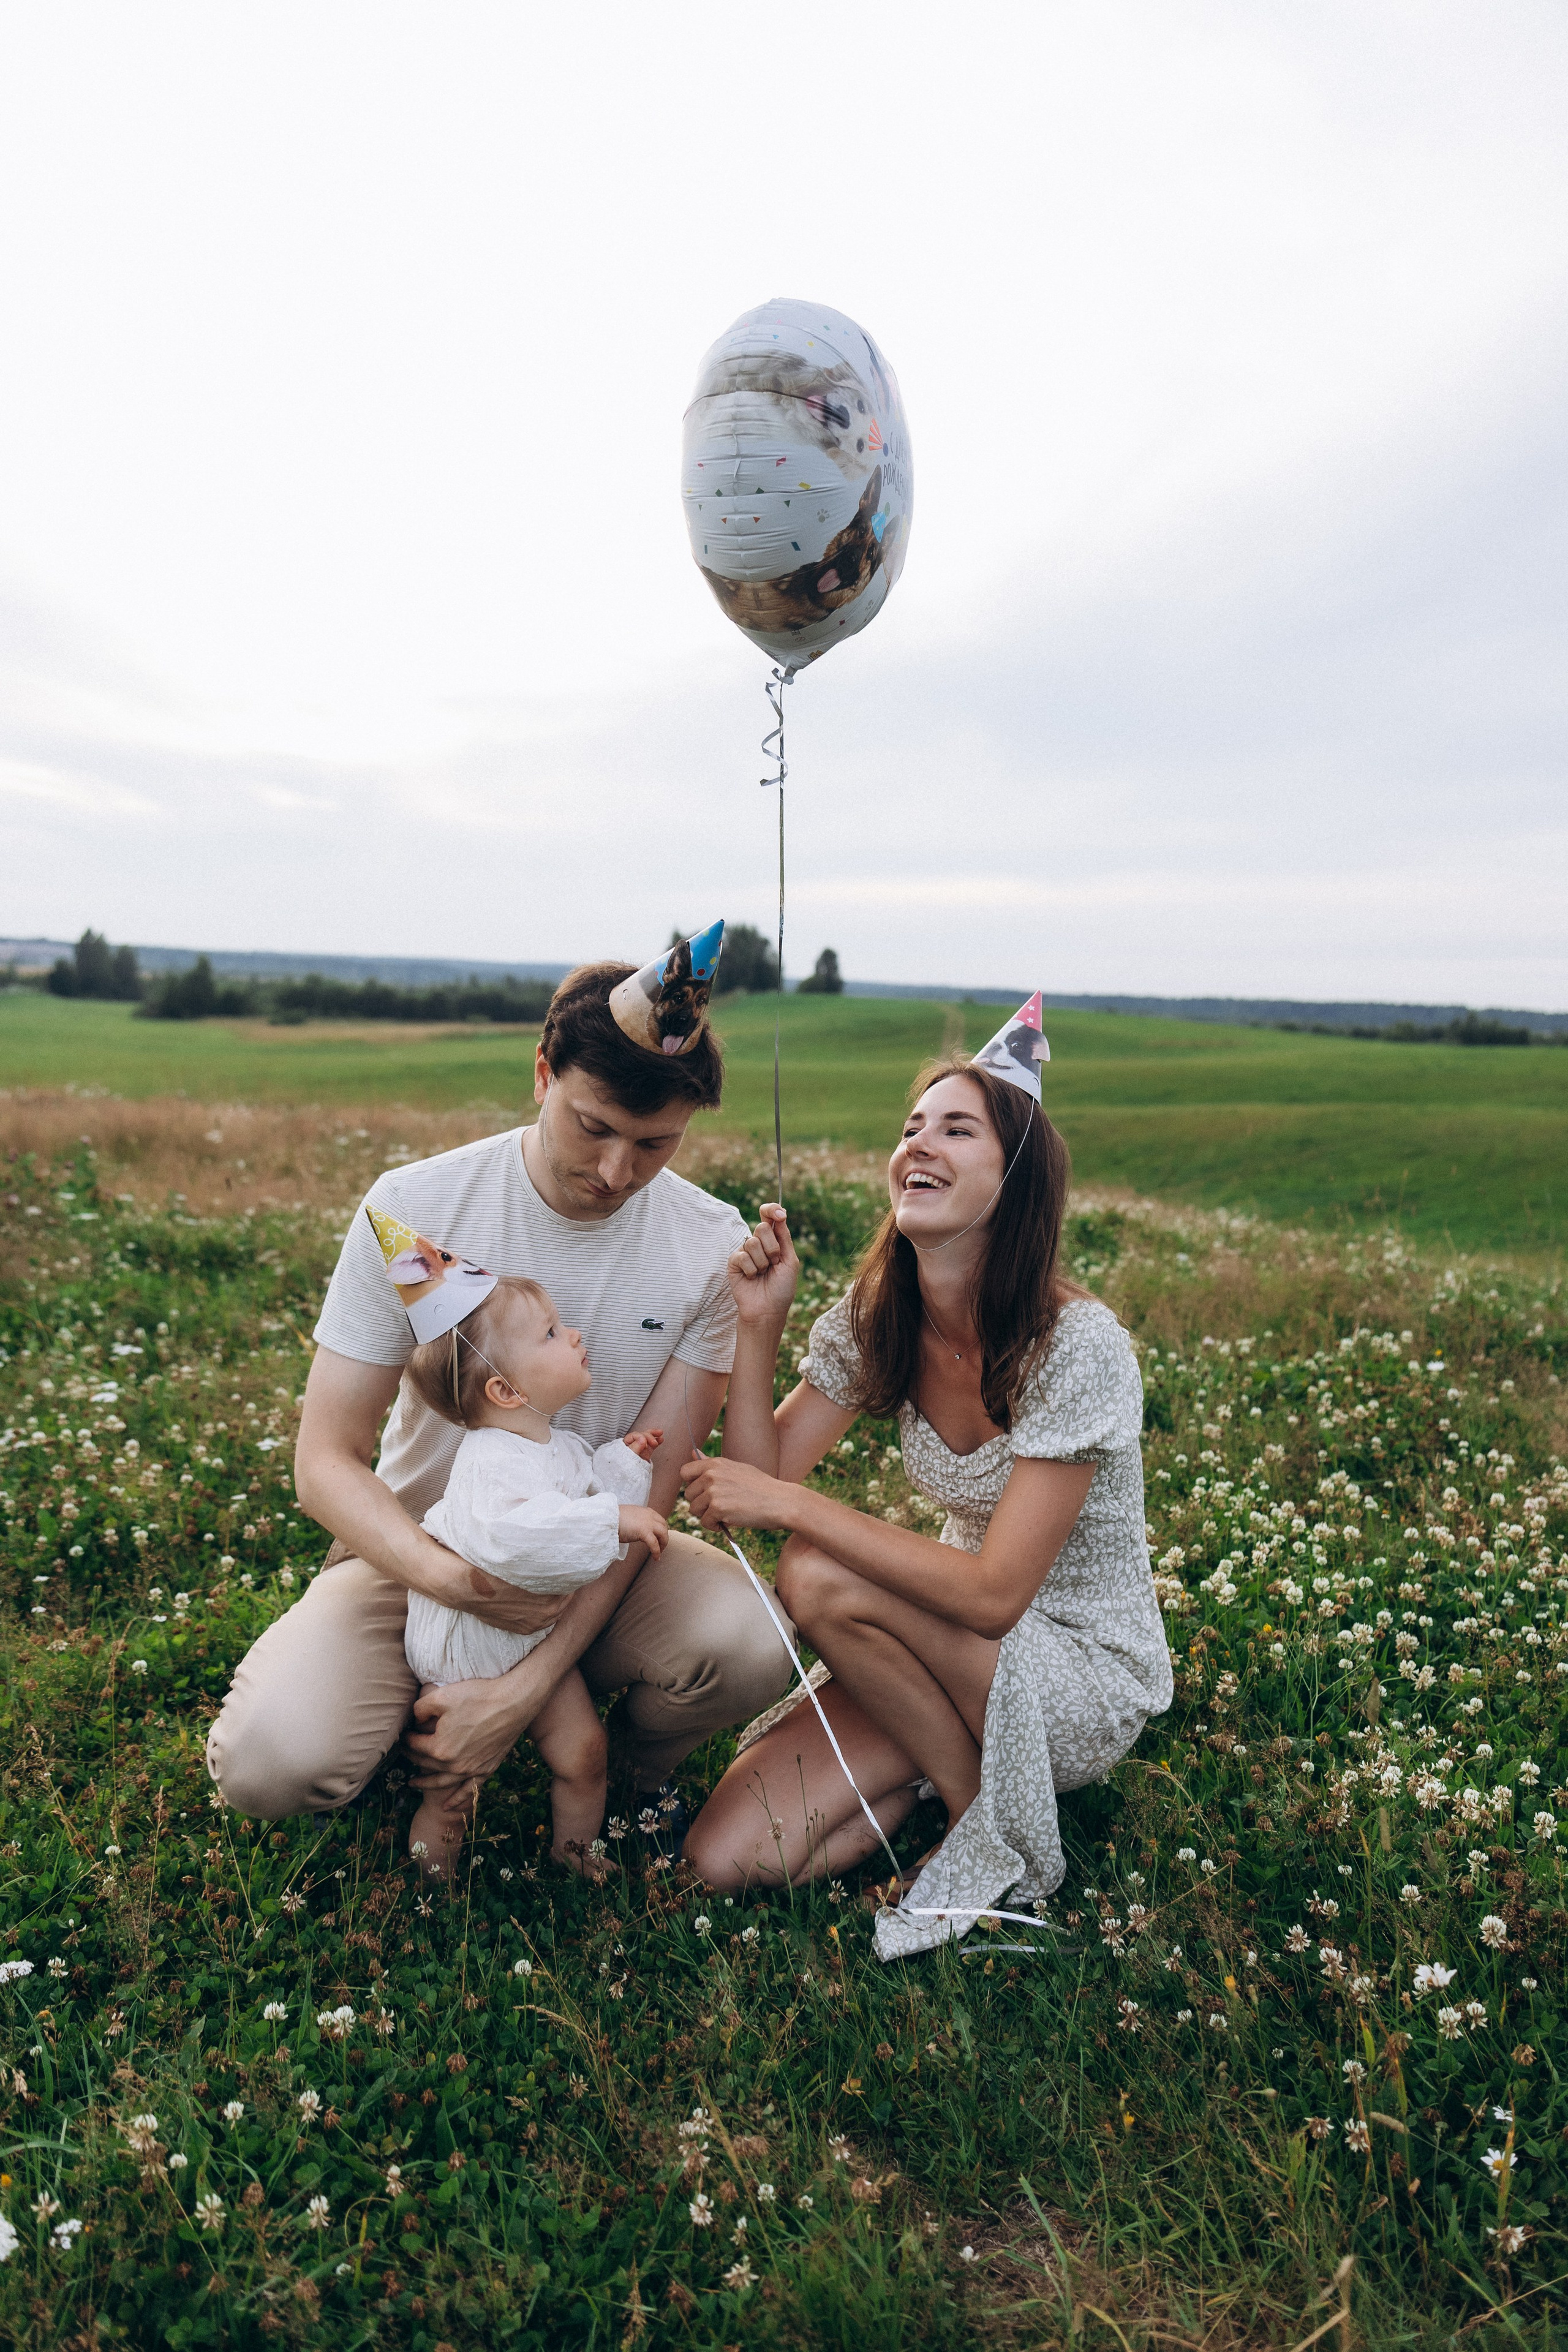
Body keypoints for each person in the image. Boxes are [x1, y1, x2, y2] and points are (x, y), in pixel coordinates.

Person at [205, 927, 794, 1836]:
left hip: (594, 1560)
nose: (615, 1172)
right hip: (411, 1556)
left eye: (654, 1145)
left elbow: (656, 1486)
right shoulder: (413, 1206)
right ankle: (425, 1714)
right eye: (593, 1126)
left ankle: (629, 1770)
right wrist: (462, 1584)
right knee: (271, 1763)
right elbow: (325, 1461)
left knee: (753, 1639)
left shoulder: (711, 1250)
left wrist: (524, 1689)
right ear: (541, 1073)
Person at [680, 1000, 1172, 1959]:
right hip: (920, 1643)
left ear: (1017, 1174)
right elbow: (759, 1475)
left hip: (1071, 1667)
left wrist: (791, 1508)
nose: (921, 1144)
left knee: (818, 1572)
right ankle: (952, 1779)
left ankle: (975, 1820)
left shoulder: (1079, 1347)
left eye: (957, 1128)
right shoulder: (883, 1313)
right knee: (725, 1856)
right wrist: (759, 1326)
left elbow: (993, 1597)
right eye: (911, 1127)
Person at [399, 1273, 671, 1881]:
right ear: (505, 1389)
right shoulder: (488, 1462)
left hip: (527, 1645)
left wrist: (621, 1466)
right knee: (452, 1793)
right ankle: (427, 1890)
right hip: (464, 1658)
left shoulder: (555, 1444)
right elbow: (520, 1539)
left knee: (584, 1753)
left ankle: (576, 1864)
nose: (573, 1334)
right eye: (551, 1332)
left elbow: (578, 1492)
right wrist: (614, 1516)